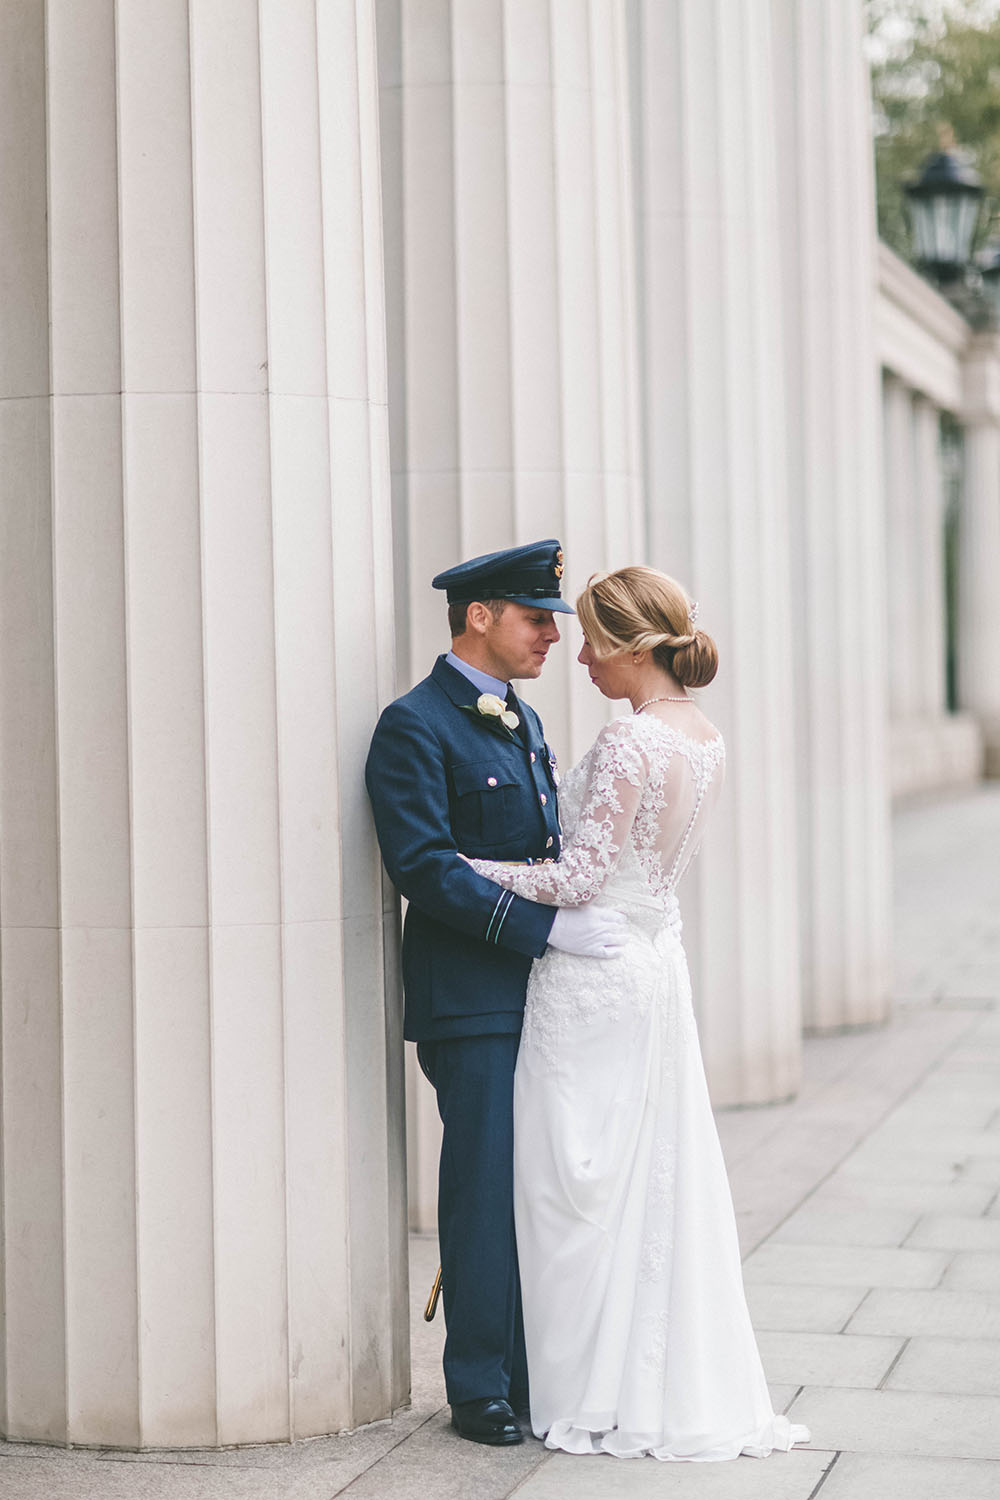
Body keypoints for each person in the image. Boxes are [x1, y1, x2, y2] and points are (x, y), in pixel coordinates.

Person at [463, 565, 811, 1461]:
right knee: (641, 1182)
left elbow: (579, 881)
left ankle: (584, 1386)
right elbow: (653, 880)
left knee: (571, 1188)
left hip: (590, 983)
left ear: (627, 644)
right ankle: (631, 1378)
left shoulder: (632, 745)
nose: (578, 656)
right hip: (653, 969)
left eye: (589, 639)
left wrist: (464, 870)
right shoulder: (705, 738)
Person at [365, 540, 626, 1448]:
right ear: (479, 617)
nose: (552, 638)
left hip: (542, 996)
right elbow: (426, 869)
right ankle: (480, 1386)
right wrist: (545, 929)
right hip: (471, 997)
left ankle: (527, 1370)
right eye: (534, 619)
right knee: (482, 1188)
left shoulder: (521, 719)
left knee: (538, 1186)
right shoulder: (414, 724)